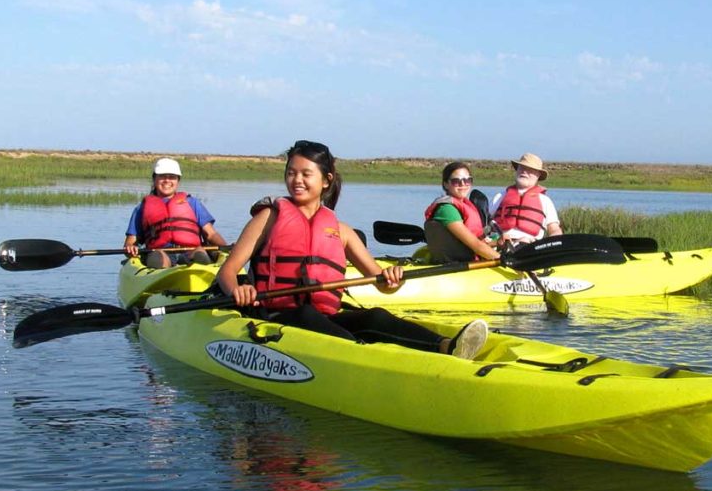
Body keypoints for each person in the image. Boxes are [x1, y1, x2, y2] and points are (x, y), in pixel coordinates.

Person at [217, 140, 488, 360]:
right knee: (306, 314)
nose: (296, 180)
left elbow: (382, 283)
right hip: (276, 314)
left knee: (376, 316)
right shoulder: (268, 218)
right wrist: (237, 289)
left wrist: (392, 277)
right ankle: (359, 355)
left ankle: (446, 346)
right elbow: (227, 271)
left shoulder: (341, 231)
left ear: (326, 180)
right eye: (291, 173)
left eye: (305, 174)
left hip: (325, 317)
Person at [123, 157, 229, 268]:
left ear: (178, 181)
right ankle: (164, 277)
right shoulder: (142, 208)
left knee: (199, 254)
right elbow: (130, 242)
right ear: (154, 179)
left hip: (191, 250)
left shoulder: (192, 203)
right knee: (156, 258)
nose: (167, 181)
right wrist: (130, 248)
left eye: (172, 177)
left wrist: (227, 247)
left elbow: (211, 234)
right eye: (162, 177)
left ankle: (201, 275)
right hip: (160, 252)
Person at [423, 161, 501, 263]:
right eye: (456, 181)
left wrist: (497, 243)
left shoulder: (465, 205)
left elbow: (470, 244)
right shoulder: (447, 209)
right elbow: (476, 246)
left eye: (467, 180)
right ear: (446, 184)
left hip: (469, 258)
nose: (463, 184)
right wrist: (507, 261)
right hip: (457, 265)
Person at [489, 152, 563, 245]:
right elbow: (484, 222)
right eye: (522, 168)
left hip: (529, 246)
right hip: (500, 244)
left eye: (530, 170)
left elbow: (554, 229)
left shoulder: (545, 201)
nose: (524, 172)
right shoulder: (500, 196)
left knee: (525, 241)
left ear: (538, 175)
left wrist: (554, 243)